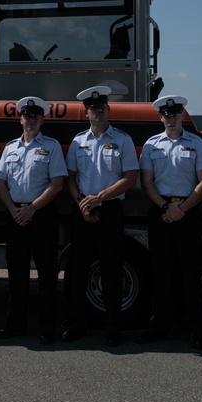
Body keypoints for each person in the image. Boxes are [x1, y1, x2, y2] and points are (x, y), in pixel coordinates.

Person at [63, 86, 139, 347]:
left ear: (108, 110)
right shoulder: (77, 141)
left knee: (111, 269)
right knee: (78, 269)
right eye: (93, 109)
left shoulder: (122, 140)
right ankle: (76, 324)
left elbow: (130, 178)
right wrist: (81, 203)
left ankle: (113, 326)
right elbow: (70, 177)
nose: (97, 112)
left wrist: (99, 198)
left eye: (101, 108)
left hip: (110, 211)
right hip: (82, 210)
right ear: (86, 113)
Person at [136, 95, 202, 350]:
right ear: (161, 117)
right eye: (166, 115)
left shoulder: (196, 143)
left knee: (190, 273)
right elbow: (146, 182)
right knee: (161, 272)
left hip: (188, 213)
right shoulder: (151, 145)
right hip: (160, 212)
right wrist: (166, 207)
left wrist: (181, 208)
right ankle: (160, 325)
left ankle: (195, 329)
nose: (171, 119)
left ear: (183, 116)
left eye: (175, 115)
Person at [0, 96, 67, 344]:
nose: (31, 120)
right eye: (27, 116)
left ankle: (47, 328)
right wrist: (14, 209)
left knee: (46, 275)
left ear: (42, 120)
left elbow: (57, 184)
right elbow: (0, 182)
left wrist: (31, 209)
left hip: (41, 216)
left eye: (36, 117)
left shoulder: (52, 146)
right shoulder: (10, 148)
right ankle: (15, 325)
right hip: (14, 215)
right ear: (20, 118)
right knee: (16, 274)